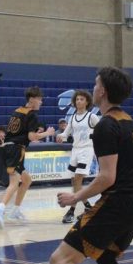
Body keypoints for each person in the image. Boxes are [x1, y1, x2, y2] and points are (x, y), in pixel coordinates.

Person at [50, 67, 133, 264]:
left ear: (102, 90)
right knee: (104, 256)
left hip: (119, 204)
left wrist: (75, 196)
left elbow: (106, 177)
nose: (92, 88)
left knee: (61, 260)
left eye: (95, 84)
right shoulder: (128, 121)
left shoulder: (106, 124)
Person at [0, 86, 54, 227]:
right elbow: (32, 137)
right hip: (16, 149)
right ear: (32, 99)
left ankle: (16, 210)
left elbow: (19, 130)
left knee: (26, 180)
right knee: (15, 181)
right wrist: (47, 133)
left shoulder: (17, 111)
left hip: (8, 147)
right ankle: (1, 207)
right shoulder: (31, 114)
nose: (41, 102)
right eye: (39, 100)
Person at [56, 90, 99, 224]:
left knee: (78, 178)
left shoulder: (91, 117)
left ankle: (71, 210)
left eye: (81, 99)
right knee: (74, 182)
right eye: (77, 99)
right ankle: (88, 206)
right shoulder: (73, 117)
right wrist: (60, 136)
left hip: (87, 150)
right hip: (75, 150)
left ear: (87, 102)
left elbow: (102, 132)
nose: (79, 101)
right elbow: (66, 133)